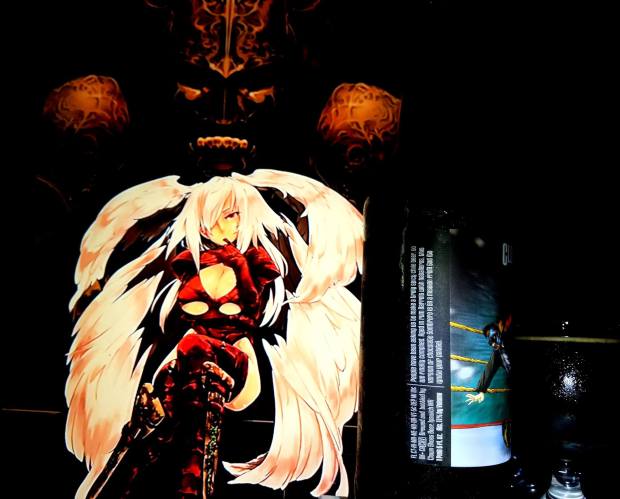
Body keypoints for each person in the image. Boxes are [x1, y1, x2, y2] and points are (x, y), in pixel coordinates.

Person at [65, 171, 363, 498]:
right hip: (191, 355)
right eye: (218, 218)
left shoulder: (257, 264)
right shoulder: (186, 263)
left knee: (197, 391)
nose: (225, 226)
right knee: (156, 420)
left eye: (233, 215)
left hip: (236, 356)